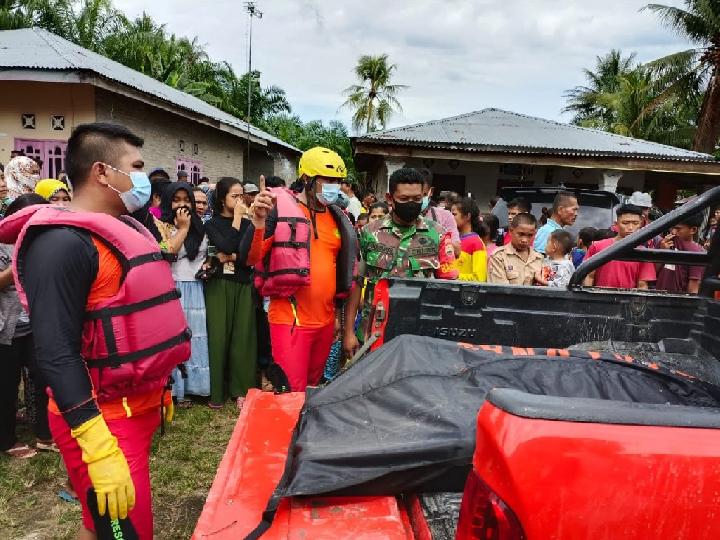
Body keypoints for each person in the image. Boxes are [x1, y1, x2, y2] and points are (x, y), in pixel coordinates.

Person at [0, 122, 192, 538]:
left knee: (102, 527)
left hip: (135, 410)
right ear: (103, 172)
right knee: (126, 534)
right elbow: (54, 352)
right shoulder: (62, 243)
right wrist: (97, 446)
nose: (144, 180)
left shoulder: (126, 231)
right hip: (103, 425)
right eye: (136, 167)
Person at [260, 147, 358, 393]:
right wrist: (257, 223)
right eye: (328, 180)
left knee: (313, 388)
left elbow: (342, 272)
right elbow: (251, 256)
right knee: (291, 392)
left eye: (338, 181)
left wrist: (336, 318)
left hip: (325, 321)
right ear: (306, 179)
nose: (335, 186)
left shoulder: (338, 217)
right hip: (291, 318)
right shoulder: (279, 209)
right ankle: (286, 431)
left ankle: (302, 432)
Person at [344, 168, 458, 358]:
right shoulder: (369, 233)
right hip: (373, 332)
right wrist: (348, 332)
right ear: (390, 198)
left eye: (417, 199)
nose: (411, 204)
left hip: (419, 334)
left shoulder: (437, 234)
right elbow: (357, 283)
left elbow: (449, 288)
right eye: (404, 199)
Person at [204, 177, 269, 408]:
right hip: (219, 284)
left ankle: (241, 389)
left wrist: (232, 256)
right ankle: (217, 392)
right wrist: (239, 220)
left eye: (242, 195)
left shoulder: (249, 223)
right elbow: (228, 246)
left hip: (243, 283)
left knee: (244, 336)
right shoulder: (211, 224)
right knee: (219, 335)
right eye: (234, 196)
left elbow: (248, 256)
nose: (240, 200)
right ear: (222, 198)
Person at [1, 194, 53, 459]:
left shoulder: (46, 241)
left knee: (45, 378)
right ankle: (7, 441)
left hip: (35, 326)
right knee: (6, 386)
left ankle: (44, 434)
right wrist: (18, 264)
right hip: (6, 329)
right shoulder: (2, 242)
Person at [155, 182, 211, 405]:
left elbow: (205, 254)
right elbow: (168, 252)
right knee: (176, 339)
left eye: (185, 199)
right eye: (176, 200)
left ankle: (196, 386)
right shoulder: (160, 225)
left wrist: (209, 264)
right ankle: (177, 390)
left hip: (196, 289)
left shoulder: (200, 226)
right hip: (172, 287)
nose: (182, 205)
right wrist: (183, 228)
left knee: (195, 338)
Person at [584, 204, 656, 289]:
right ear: (616, 224)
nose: (630, 227)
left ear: (640, 224)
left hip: (627, 300)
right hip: (600, 299)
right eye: (625, 223)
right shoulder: (597, 247)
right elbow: (589, 277)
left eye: (635, 223)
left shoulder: (643, 253)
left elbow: (642, 285)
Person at [655, 212, 705, 294]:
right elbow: (652, 273)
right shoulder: (664, 243)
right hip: (656, 295)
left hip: (678, 300)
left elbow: (693, 285)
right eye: (672, 227)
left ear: (693, 230)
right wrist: (662, 252)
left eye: (678, 229)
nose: (673, 232)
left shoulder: (697, 252)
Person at [488, 213, 544, 285]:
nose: (524, 240)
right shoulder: (499, 257)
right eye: (521, 234)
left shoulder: (539, 258)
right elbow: (500, 291)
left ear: (535, 234)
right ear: (511, 231)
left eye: (530, 235)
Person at [418, 169, 461, 253]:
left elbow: (457, 250)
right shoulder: (399, 217)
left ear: (431, 192)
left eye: (423, 194)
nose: (419, 200)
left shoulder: (445, 216)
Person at [451, 197, 487, 282]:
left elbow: (479, 278)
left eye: (454, 214)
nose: (450, 217)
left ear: (467, 216)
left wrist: (454, 276)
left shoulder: (476, 243)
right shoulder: (452, 238)